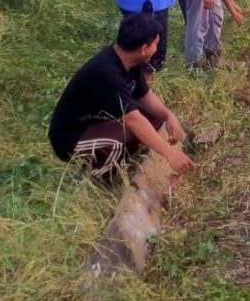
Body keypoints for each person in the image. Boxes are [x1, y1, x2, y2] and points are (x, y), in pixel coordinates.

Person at [48, 12, 195, 181]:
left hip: (100, 121)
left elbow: (143, 95)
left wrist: (169, 115)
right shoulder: (107, 72)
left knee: (154, 118)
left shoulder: (130, 60)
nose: (157, 49)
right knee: (116, 142)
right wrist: (169, 154)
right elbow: (132, 120)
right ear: (144, 49)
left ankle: (125, 158)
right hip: (71, 136)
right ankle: (97, 181)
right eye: (156, 44)